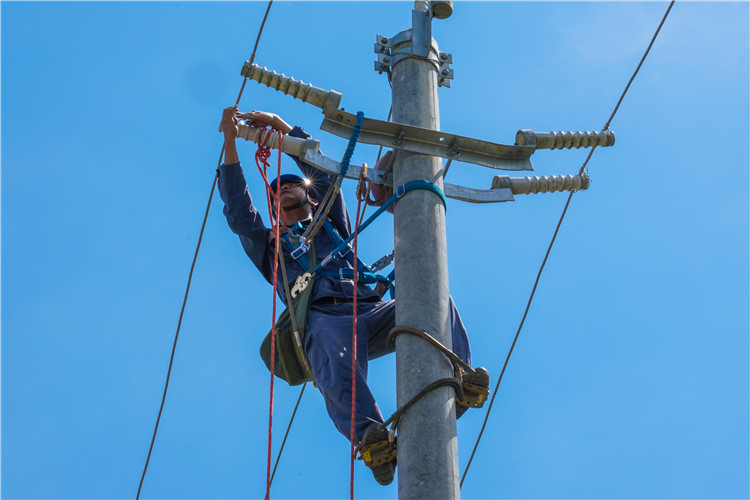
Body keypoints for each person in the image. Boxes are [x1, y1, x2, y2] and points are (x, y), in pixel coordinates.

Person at [217, 107, 487, 485]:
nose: (285, 189)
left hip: (370, 309)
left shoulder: (331, 219)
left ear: (308, 195)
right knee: (329, 347)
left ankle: (460, 375)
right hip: (326, 319)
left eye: (292, 184)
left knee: (434, 294)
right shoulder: (271, 246)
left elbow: (325, 173)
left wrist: (281, 126)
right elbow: (239, 214)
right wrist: (230, 141)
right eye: (277, 190)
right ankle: (372, 439)